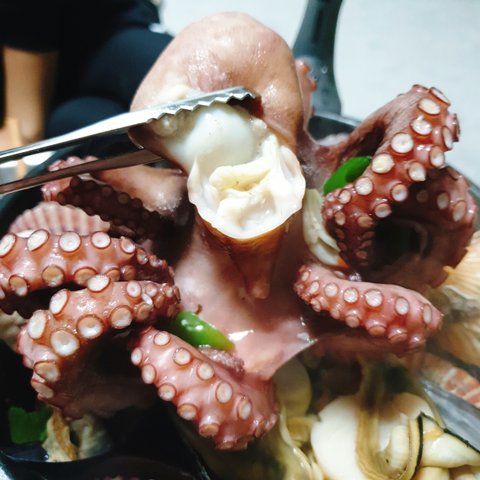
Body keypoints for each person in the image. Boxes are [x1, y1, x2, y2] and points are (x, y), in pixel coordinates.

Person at [0, 0, 172, 152]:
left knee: (172, 87)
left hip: (103, 31)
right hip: (52, 106)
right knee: (76, 123)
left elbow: (27, 130)